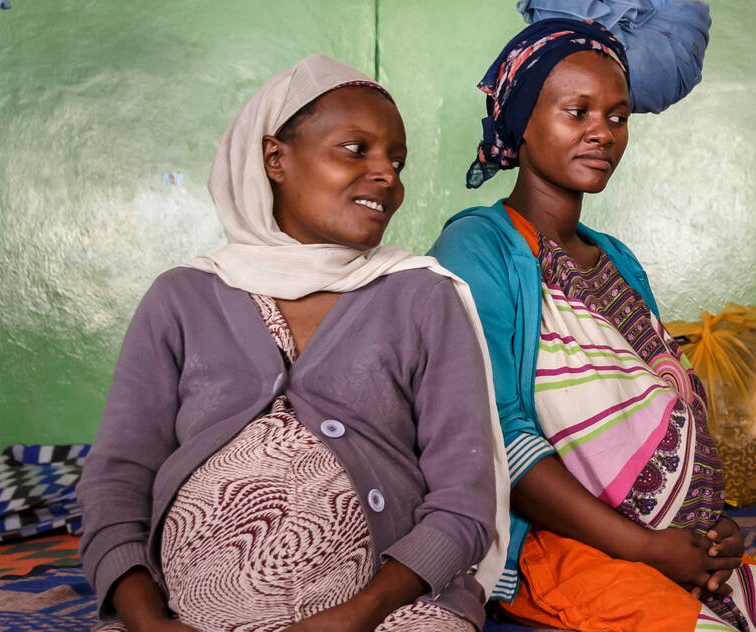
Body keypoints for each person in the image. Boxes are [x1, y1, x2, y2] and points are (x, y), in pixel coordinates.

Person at [429, 17, 756, 632]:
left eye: (617, 116)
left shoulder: (617, 259)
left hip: (671, 552)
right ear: (521, 121)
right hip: (560, 555)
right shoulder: (478, 248)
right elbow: (496, 437)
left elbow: (661, 403)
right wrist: (646, 548)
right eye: (576, 112)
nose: (602, 134)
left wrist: (709, 530)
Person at [79, 55, 504, 631]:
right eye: (356, 149)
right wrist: (147, 621)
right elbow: (117, 479)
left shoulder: (422, 297)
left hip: (385, 613)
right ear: (275, 159)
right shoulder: (183, 297)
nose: (388, 176)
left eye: (397, 160)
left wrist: (359, 614)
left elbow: (464, 500)